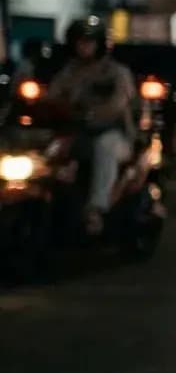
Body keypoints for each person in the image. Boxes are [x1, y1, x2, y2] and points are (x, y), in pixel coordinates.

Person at [47, 17, 136, 234]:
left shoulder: (115, 73)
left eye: (88, 42)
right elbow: (51, 96)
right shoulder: (68, 72)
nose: (83, 47)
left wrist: (92, 114)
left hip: (114, 134)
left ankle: (96, 209)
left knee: (104, 148)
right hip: (76, 133)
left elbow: (117, 104)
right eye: (79, 42)